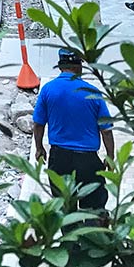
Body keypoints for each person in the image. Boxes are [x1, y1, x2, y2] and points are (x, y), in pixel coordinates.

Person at [33, 49, 114, 216]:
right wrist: (110, 156)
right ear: (79, 67)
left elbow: (38, 124)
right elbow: (106, 130)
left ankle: (70, 241)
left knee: (65, 208)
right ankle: (92, 240)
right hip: (88, 160)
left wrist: (39, 147)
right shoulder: (92, 92)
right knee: (94, 208)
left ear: (61, 66)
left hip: (59, 158)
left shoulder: (48, 90)